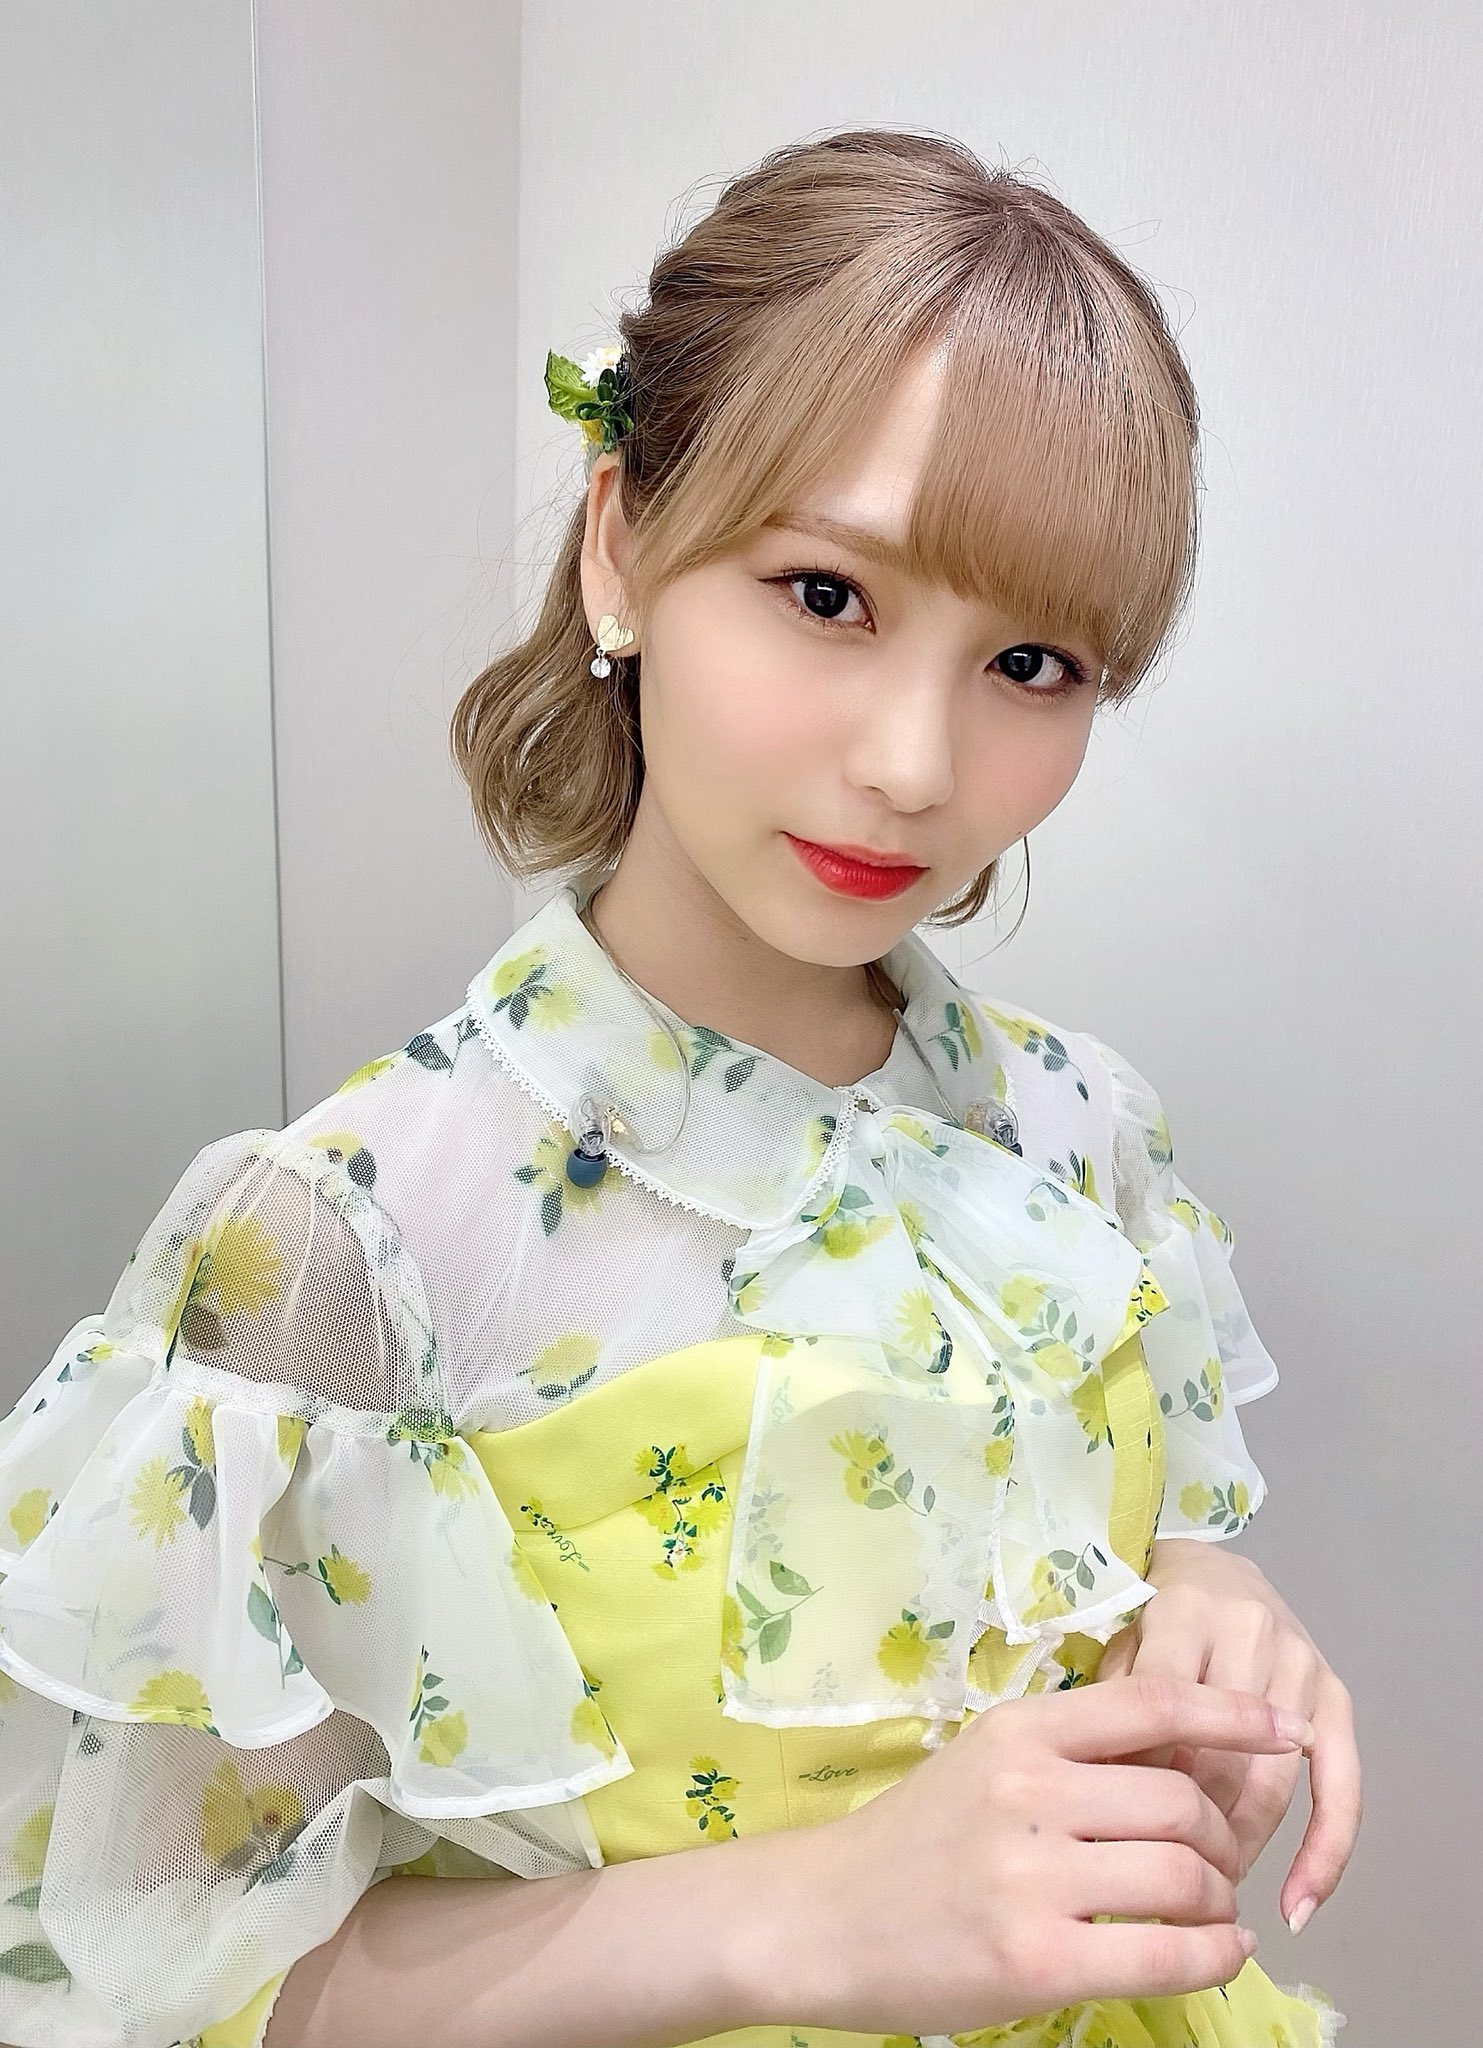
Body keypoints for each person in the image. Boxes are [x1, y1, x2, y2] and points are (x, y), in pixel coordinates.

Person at [0, 128, 1356, 2048]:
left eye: (1033, 661)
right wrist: (804, 1915)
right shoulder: (345, 1242)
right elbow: (186, 1983)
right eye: (827, 595)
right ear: (622, 543)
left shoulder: (1083, 1128)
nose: (914, 763)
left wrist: (1202, 1601)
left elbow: (1110, 1573)